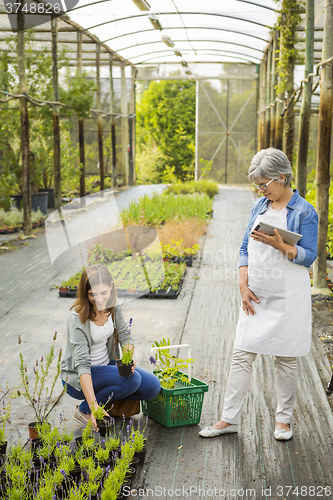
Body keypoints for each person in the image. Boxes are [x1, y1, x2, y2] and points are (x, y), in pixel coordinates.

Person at [199, 148, 318, 441]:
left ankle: (283, 421)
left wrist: (281, 245)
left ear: (282, 177)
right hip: (257, 295)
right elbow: (244, 248)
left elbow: (309, 257)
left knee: (286, 359)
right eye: (257, 186)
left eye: (264, 184)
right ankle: (229, 419)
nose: (261, 190)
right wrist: (243, 285)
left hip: (289, 295)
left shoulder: (305, 211)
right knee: (241, 353)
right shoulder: (259, 206)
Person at [61, 264, 161, 429]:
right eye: (93, 294)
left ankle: (105, 403)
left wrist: (127, 358)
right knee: (132, 380)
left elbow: (125, 335)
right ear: (85, 293)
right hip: (79, 377)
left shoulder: (113, 306)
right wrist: (93, 404)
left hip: (107, 366)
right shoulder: (76, 318)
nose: (99, 299)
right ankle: (85, 410)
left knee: (152, 387)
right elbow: (82, 364)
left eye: (104, 293)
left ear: (112, 286)